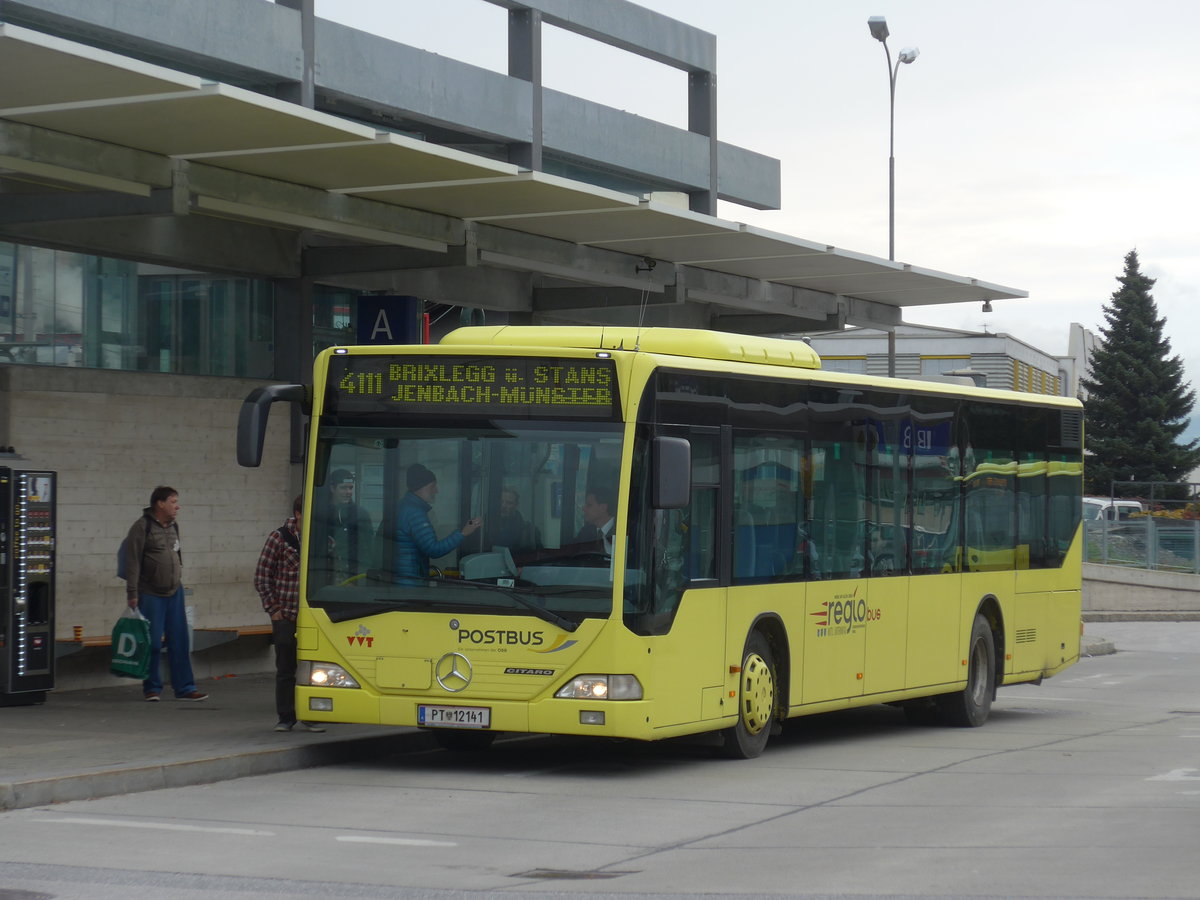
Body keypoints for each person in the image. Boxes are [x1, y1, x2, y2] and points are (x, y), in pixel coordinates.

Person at [123, 486, 208, 702]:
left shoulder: (173, 527)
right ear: (160, 504)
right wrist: (132, 593)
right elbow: (132, 562)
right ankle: (152, 687)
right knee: (151, 642)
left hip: (174, 591)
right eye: (173, 502)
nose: (177, 506)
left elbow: (177, 554)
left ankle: (185, 687)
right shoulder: (142, 527)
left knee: (179, 640)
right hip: (150, 593)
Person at [254, 495, 325, 734]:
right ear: (298, 514)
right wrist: (274, 610)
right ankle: (285, 717)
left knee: (313, 669)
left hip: (313, 618)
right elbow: (262, 576)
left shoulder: (321, 538)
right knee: (286, 668)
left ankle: (311, 714)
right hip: (286, 616)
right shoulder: (279, 538)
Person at [393, 463, 481, 580]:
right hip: (410, 579)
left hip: (402, 575)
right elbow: (433, 550)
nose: (436, 491)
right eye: (433, 486)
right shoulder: (415, 513)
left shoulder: (404, 506)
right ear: (420, 488)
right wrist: (463, 533)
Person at [314, 469, 373, 583]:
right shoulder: (320, 513)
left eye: (350, 488)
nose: (348, 492)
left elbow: (367, 550)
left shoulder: (360, 514)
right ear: (332, 488)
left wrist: (359, 579)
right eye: (343, 487)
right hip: (325, 576)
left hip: (353, 576)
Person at [574, 485, 616, 555]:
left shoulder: (622, 531)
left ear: (603, 508)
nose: (583, 509)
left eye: (589, 505)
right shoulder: (585, 532)